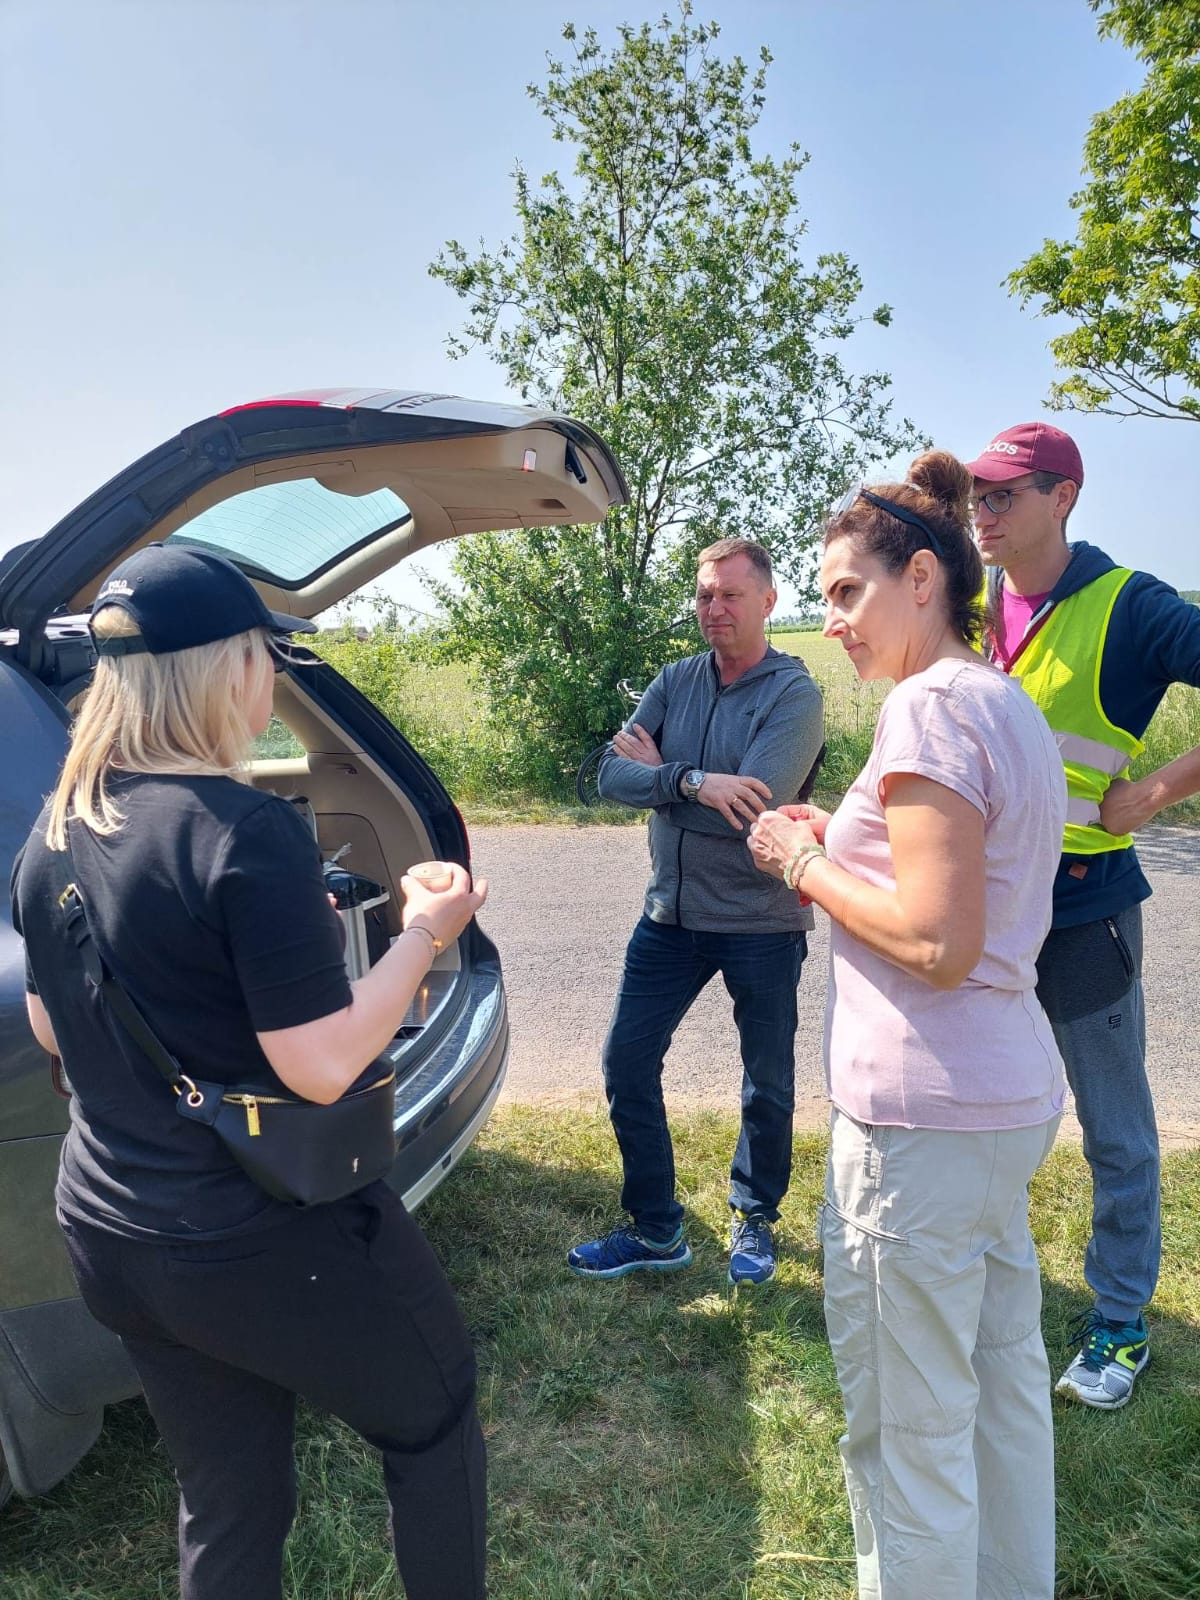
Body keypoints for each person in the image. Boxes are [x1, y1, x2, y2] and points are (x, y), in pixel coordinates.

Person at [10, 544, 488, 1600]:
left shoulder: (54, 829)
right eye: (265, 655)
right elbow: (320, 1065)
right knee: (435, 1414)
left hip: (111, 1229)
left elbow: (51, 1025)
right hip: (254, 1233)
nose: (270, 676)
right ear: (228, 668)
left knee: (228, 1497)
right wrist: (426, 929)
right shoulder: (246, 830)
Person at [749, 452, 1067, 1600]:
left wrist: (801, 863)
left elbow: (937, 939)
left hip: (920, 1125)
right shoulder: (997, 697)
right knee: (1001, 1387)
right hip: (994, 1105)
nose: (830, 619)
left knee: (909, 1432)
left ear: (921, 577)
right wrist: (832, 846)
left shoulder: (926, 707)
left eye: (847, 590)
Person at [967, 420, 1200, 1409]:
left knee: (1114, 1127)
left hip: (1082, 908)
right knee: (982, 1114)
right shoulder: (972, 602)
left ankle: (1119, 1322)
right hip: (979, 910)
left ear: (1062, 497)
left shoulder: (1129, 604)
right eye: (976, 495)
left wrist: (1157, 791)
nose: (982, 512)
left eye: (1003, 494)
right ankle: (995, 1288)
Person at [567, 537, 824, 1286]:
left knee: (766, 1081)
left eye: (730, 595)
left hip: (761, 922)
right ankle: (656, 1229)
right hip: (670, 916)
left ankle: (755, 1217)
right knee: (626, 1063)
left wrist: (665, 782)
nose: (714, 608)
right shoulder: (675, 679)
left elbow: (758, 816)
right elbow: (607, 776)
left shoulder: (794, 696)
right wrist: (691, 783)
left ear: (767, 601)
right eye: (705, 594)